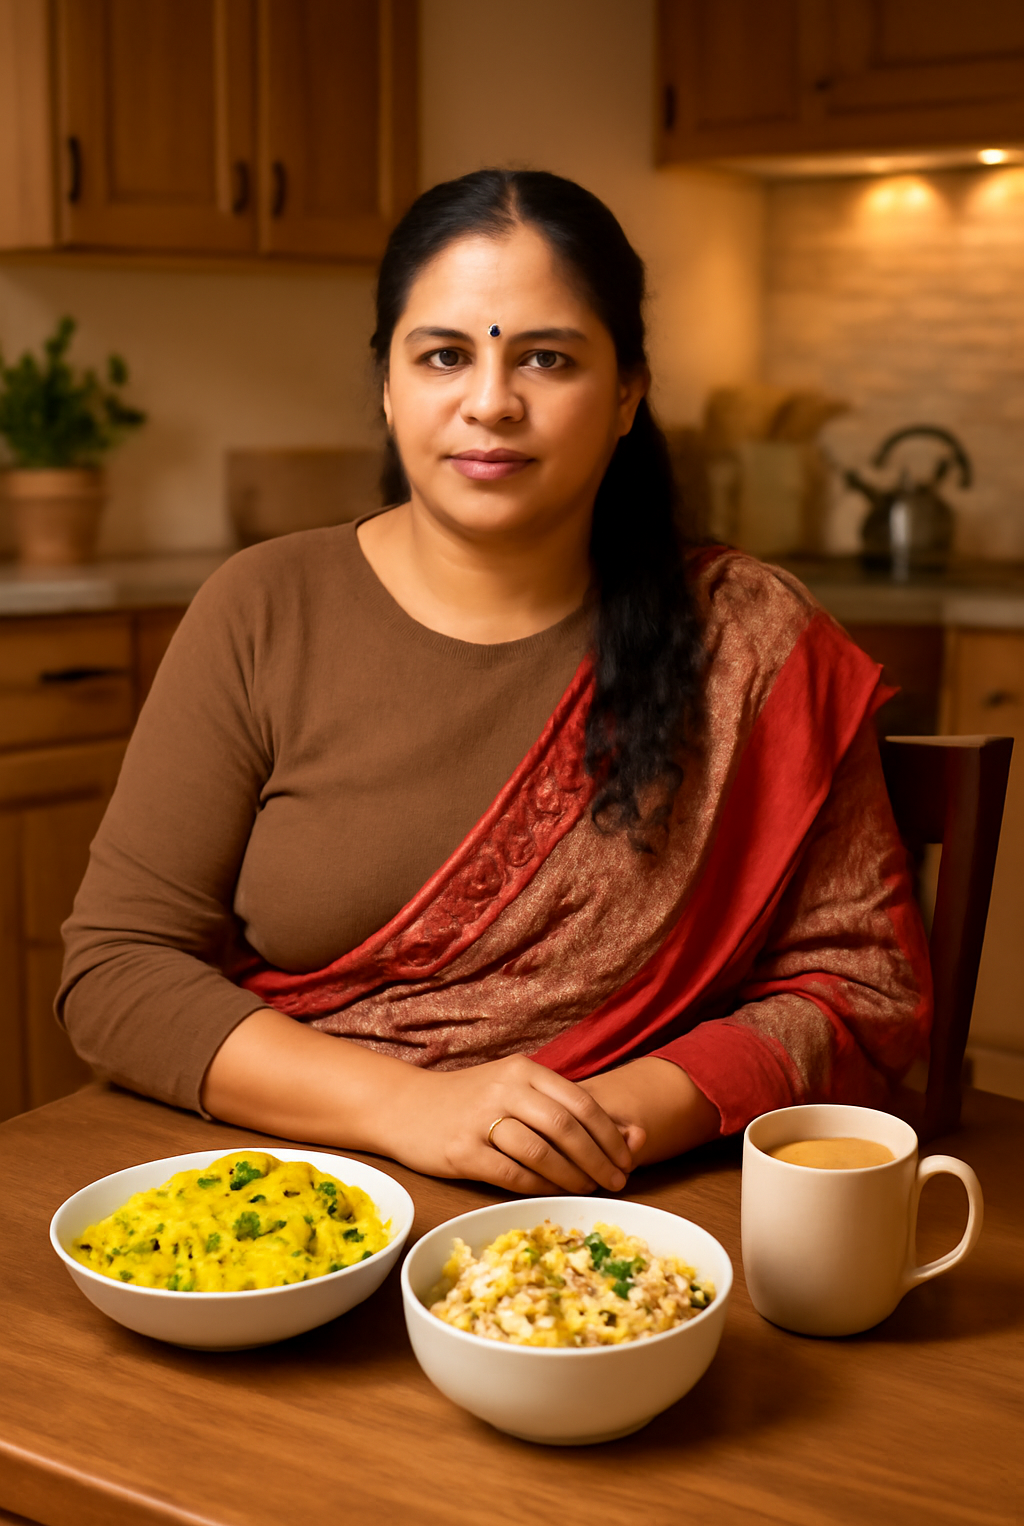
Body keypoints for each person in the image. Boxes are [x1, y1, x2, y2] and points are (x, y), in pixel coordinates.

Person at [58, 169, 932, 1198]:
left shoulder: (745, 641)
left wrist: (595, 1122)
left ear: (625, 395)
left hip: (631, 1214)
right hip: (298, 1203)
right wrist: (412, 1110)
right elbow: (116, 972)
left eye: (546, 359)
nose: (489, 403)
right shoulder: (262, 607)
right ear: (387, 386)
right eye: (442, 356)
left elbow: (858, 988)